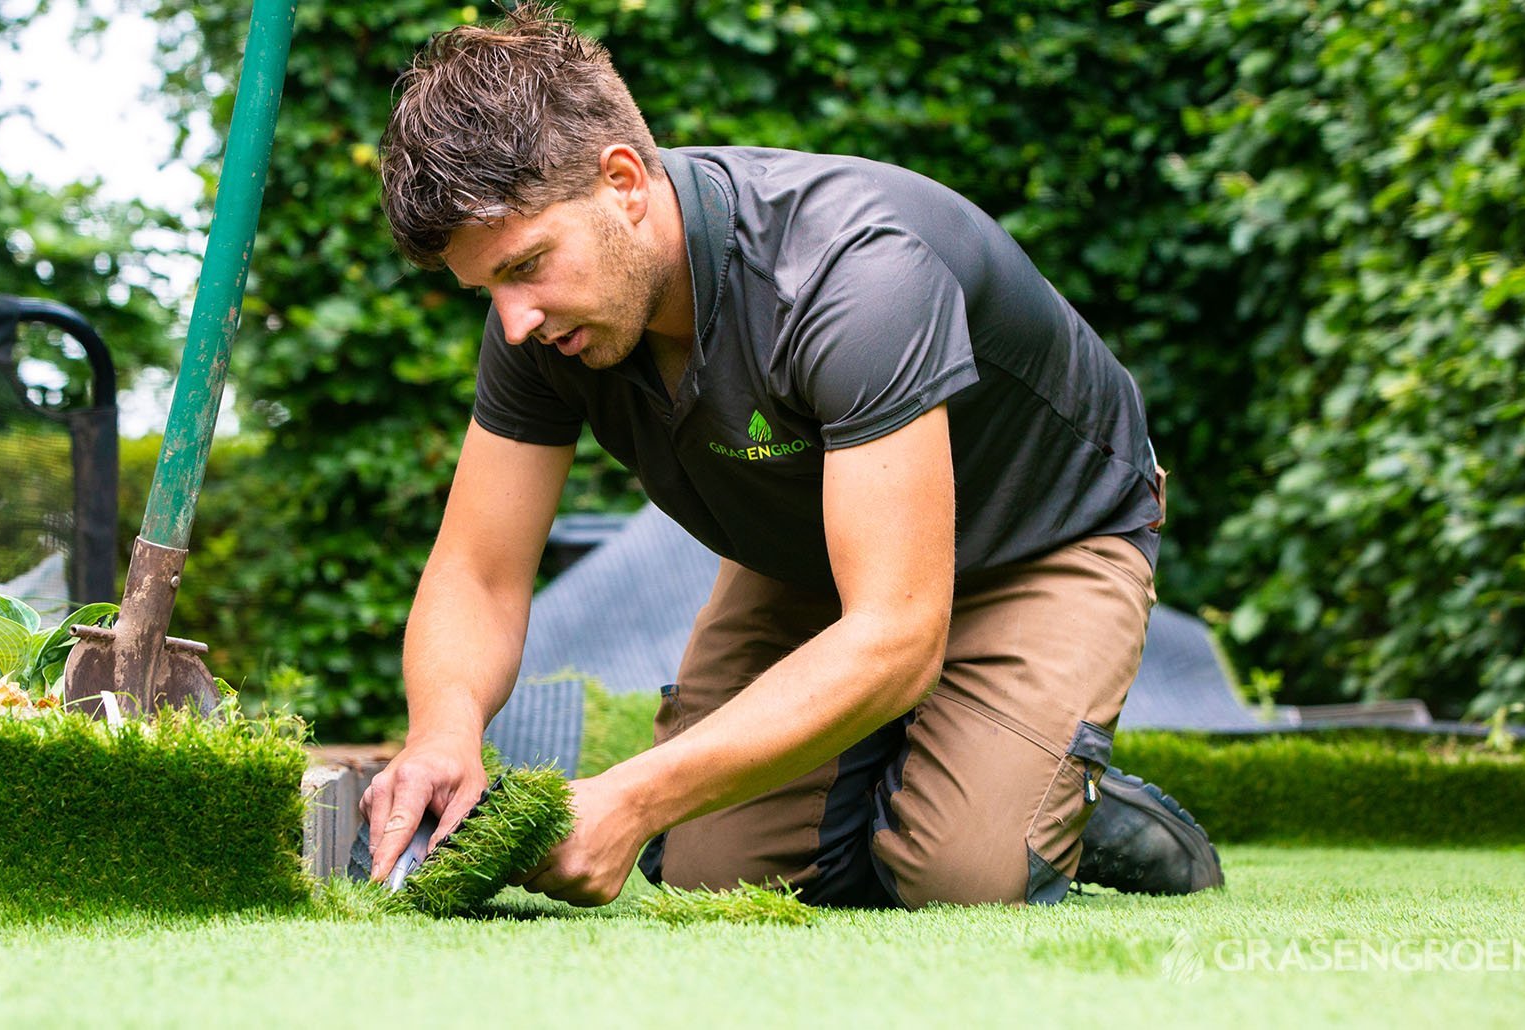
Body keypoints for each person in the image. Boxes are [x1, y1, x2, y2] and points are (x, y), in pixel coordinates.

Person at [361, 3, 1223, 908]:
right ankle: (960, 771)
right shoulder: (543, 331)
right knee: (711, 874)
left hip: (1042, 542)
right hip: (815, 548)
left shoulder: (850, 274)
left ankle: (1045, 798)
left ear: (623, 181)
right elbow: (478, 572)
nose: (514, 319)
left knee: (958, 872)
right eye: (486, 286)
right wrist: (442, 733)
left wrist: (631, 796)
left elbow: (894, 634)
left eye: (528, 264)